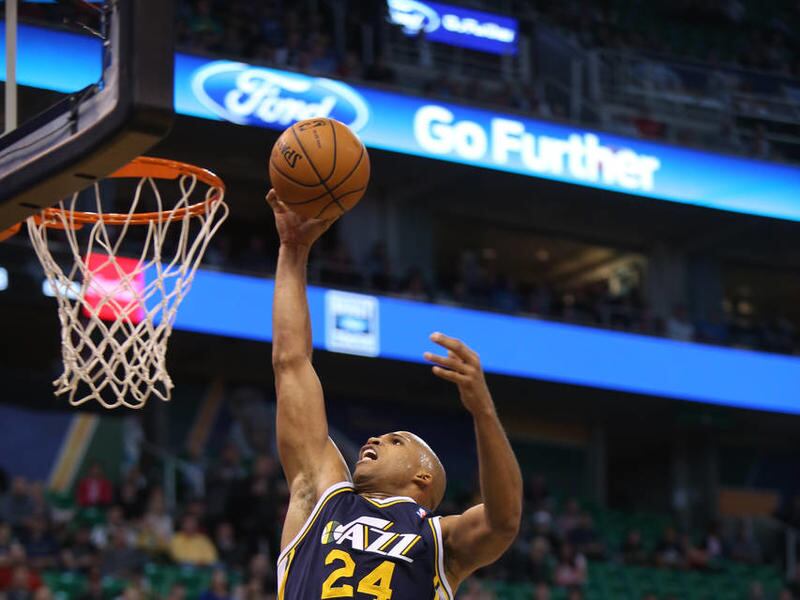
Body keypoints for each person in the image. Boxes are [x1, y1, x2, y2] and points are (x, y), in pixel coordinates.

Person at [266, 189, 522, 598]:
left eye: (395, 440)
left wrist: (483, 412)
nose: (374, 439)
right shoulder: (322, 496)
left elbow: (503, 522)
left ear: (424, 476)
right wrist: (293, 250)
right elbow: (291, 364)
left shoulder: (439, 540)